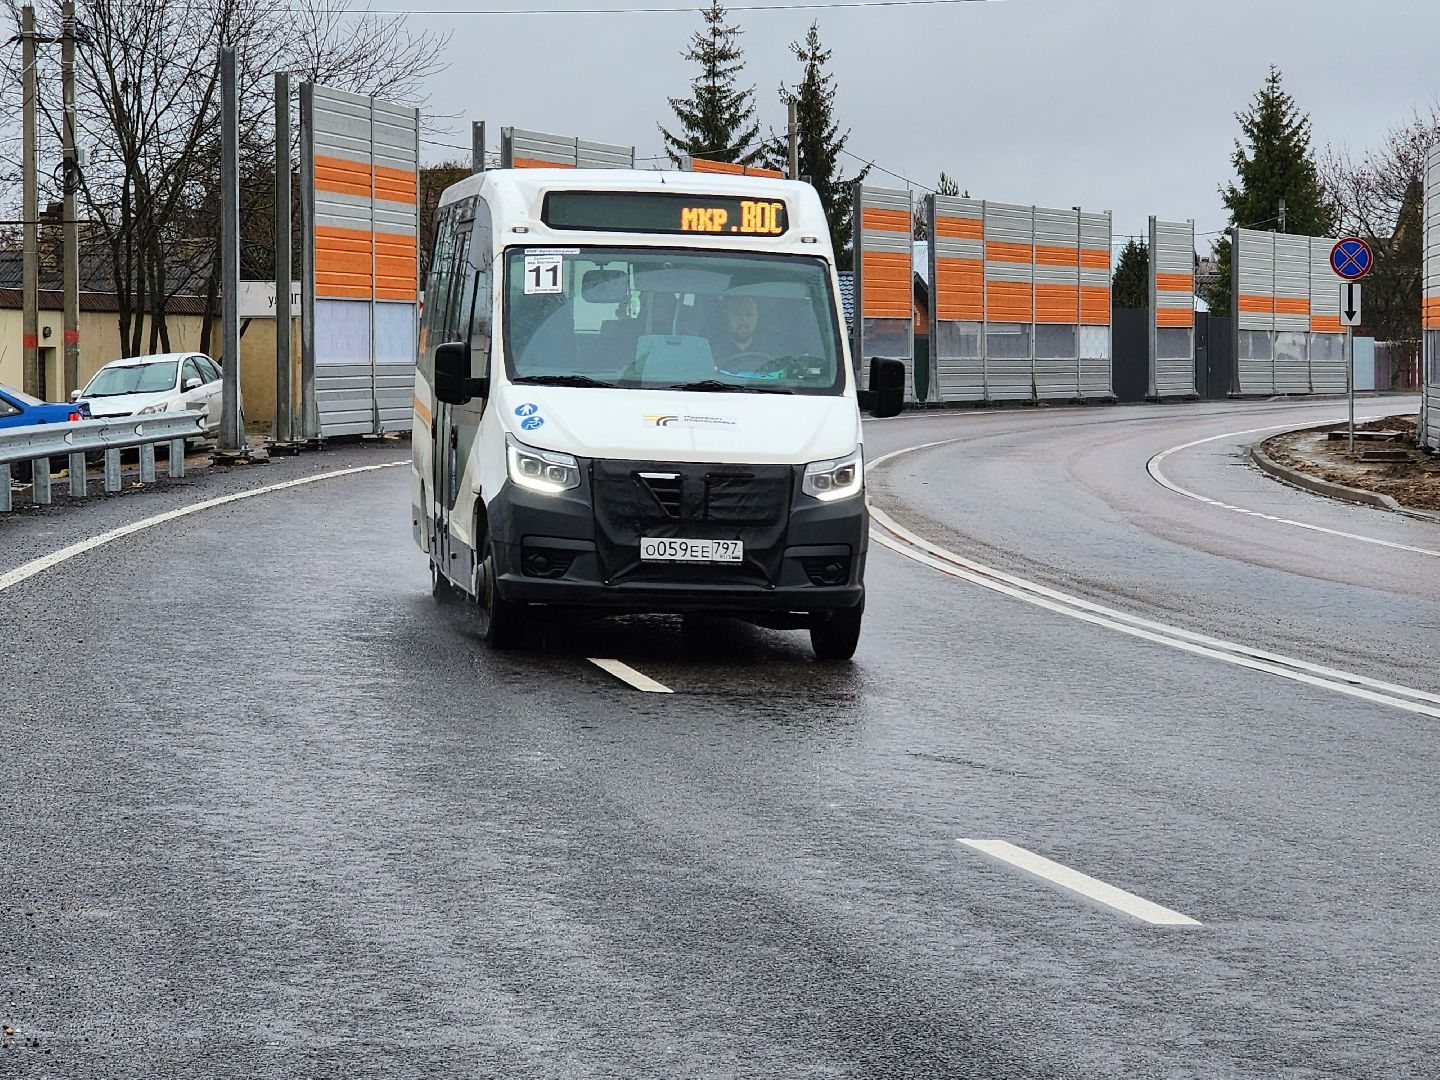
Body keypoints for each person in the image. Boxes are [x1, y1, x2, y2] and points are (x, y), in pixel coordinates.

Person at [711, 294, 770, 366]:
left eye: (749, 314)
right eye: (737, 314)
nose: (743, 320)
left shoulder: (771, 350)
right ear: (726, 317)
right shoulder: (711, 351)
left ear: (757, 318)